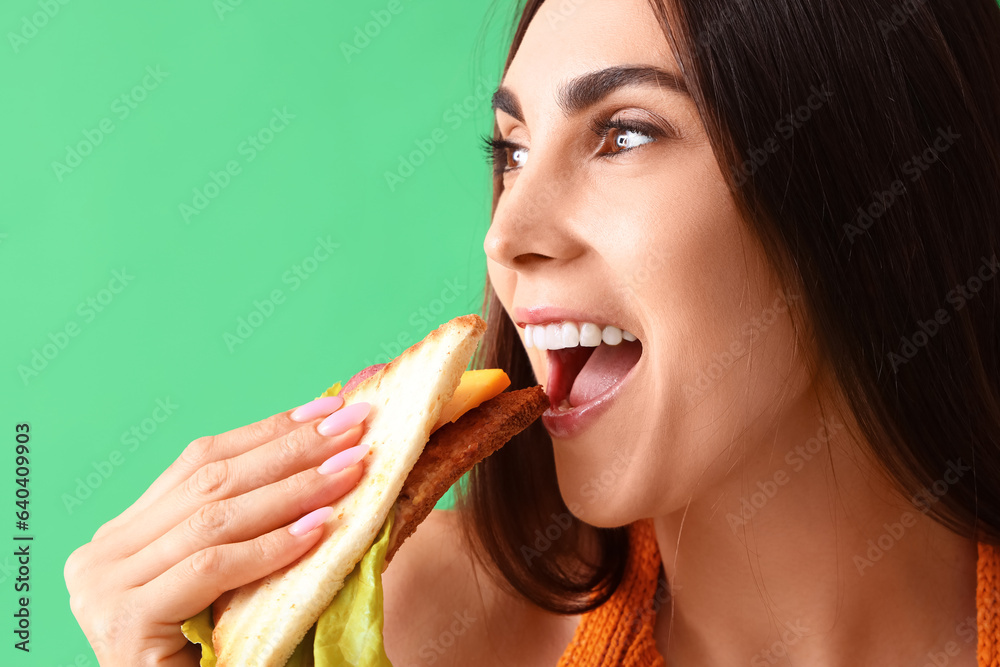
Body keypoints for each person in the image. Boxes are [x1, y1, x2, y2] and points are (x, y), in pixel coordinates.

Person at [65, 0, 1000, 664]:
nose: (505, 236)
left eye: (625, 133)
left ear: (869, 187)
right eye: (511, 152)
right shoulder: (417, 625)